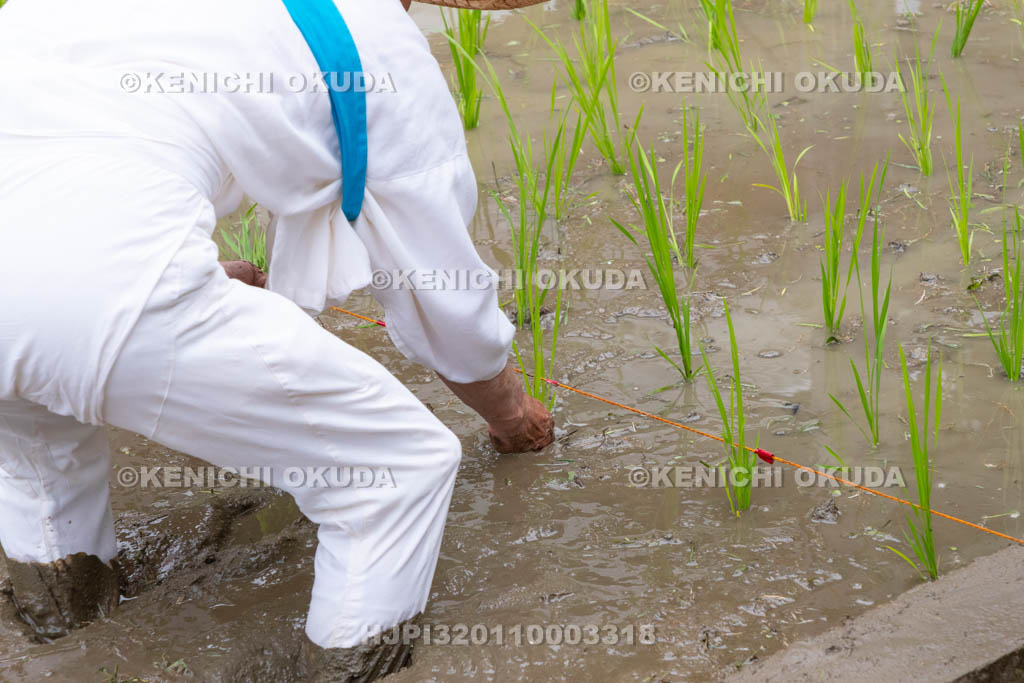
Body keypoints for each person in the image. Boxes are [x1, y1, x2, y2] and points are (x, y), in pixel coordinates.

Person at [0, 0, 550, 679]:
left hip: (66, 276)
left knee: (41, 456)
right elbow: (445, 297)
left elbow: (77, 153)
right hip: (96, 282)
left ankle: (62, 630)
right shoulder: (372, 43)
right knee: (396, 468)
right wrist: (512, 416)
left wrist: (173, 277)